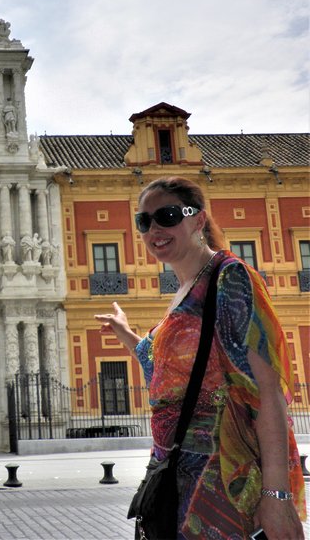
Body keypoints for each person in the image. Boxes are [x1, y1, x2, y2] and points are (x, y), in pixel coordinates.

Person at [94, 177, 305, 539]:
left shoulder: (230, 278)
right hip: (173, 477)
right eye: (144, 222)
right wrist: (127, 335)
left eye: (168, 215)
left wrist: (277, 496)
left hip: (221, 479)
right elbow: (167, 376)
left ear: (198, 219)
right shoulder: (182, 292)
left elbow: (267, 394)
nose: (154, 229)